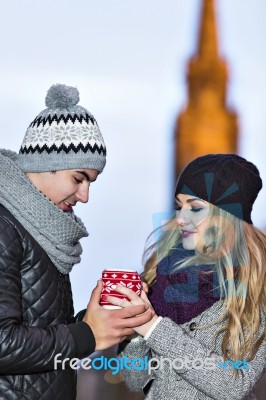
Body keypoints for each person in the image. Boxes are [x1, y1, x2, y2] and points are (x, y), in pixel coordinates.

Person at [0, 83, 153, 400]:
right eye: (78, 178)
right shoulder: (6, 227)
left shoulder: (43, 230)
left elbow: (39, 331)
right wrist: (88, 333)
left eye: (90, 183)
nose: (85, 196)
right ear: (45, 163)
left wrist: (100, 319)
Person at [107, 154, 266, 399]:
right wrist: (134, 331)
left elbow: (234, 386)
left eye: (195, 207)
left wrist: (153, 327)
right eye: (179, 206)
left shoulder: (255, 286)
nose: (181, 218)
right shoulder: (161, 274)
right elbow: (135, 379)